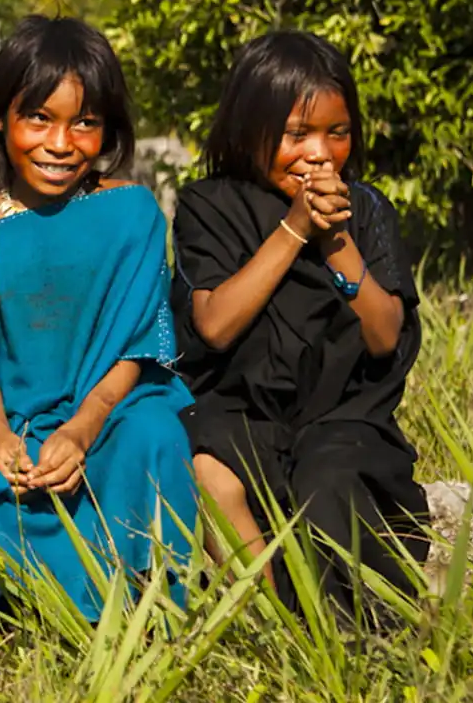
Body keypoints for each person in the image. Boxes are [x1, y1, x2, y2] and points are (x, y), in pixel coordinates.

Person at [0, 16, 196, 621]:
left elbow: (139, 346)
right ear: (0, 118)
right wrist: (3, 435)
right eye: (39, 119)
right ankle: (10, 619)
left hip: (110, 407)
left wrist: (81, 429)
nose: (60, 143)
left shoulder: (132, 213)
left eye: (84, 123)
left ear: (106, 129)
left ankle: (148, 612)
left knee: (155, 439)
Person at [172, 30, 427, 617]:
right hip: (244, 410)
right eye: (297, 135)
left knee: (327, 481)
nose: (319, 153)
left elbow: (385, 333)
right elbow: (214, 325)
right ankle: (274, 618)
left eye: (336, 134)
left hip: (342, 414)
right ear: (250, 130)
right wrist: (293, 230)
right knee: (206, 471)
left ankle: (347, 631)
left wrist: (334, 240)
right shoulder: (209, 206)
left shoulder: (364, 210)